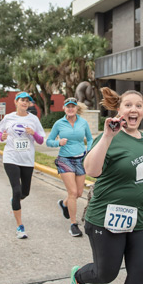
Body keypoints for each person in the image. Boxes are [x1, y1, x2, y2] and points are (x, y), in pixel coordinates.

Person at [69, 87, 143, 284]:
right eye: (129, 105)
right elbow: (91, 170)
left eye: (139, 106)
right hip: (106, 219)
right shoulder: (109, 138)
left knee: (139, 274)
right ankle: (79, 276)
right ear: (119, 110)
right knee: (105, 274)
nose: (134, 109)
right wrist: (107, 136)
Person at [0, 91, 45, 239]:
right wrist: (2, 137)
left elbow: (41, 140)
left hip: (27, 160)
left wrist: (33, 134)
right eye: (21, 100)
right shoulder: (8, 117)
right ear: (16, 102)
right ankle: (20, 226)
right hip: (11, 157)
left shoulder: (34, 119)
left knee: (25, 192)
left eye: (27, 101)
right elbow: (0, 133)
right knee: (16, 191)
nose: (24, 103)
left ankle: (15, 201)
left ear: (29, 104)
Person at [46, 97, 93, 237]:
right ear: (64, 108)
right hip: (65, 159)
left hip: (81, 159)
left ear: (76, 108)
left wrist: (89, 150)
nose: (70, 108)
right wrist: (58, 143)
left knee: (78, 193)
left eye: (73, 106)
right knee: (72, 192)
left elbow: (90, 138)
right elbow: (48, 141)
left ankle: (64, 204)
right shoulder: (59, 123)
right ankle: (73, 225)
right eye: (68, 106)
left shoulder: (83, 122)